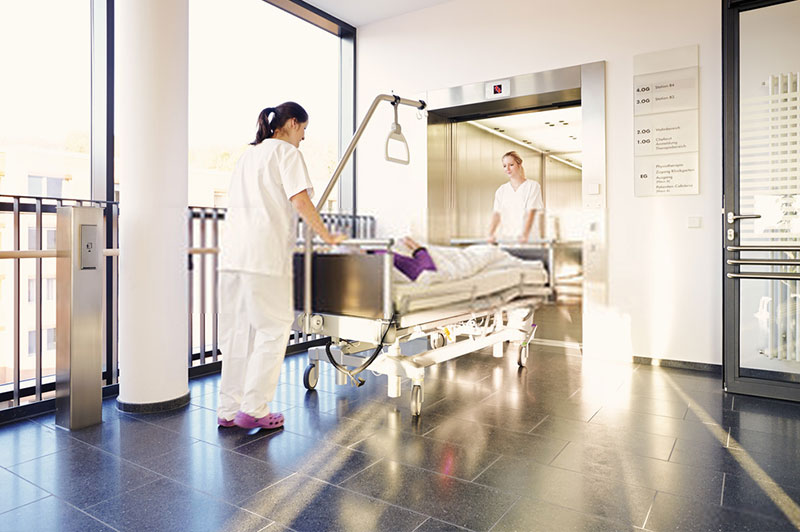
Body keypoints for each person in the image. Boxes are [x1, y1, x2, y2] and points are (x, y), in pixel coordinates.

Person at [217, 102, 345, 430]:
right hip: (264, 256)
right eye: (303, 130)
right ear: (291, 123)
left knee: (237, 333)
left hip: (232, 257)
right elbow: (300, 201)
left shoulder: (248, 155)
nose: (303, 138)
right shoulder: (286, 154)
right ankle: (255, 409)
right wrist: (328, 237)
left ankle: (229, 410)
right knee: (274, 328)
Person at [487, 151, 544, 244]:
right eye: (504, 166)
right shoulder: (501, 190)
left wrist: (525, 235)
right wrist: (490, 234)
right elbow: (497, 214)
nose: (507, 169)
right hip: (506, 240)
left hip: (527, 241)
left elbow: (531, 212)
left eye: (511, 165)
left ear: (519, 164)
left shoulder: (533, 186)